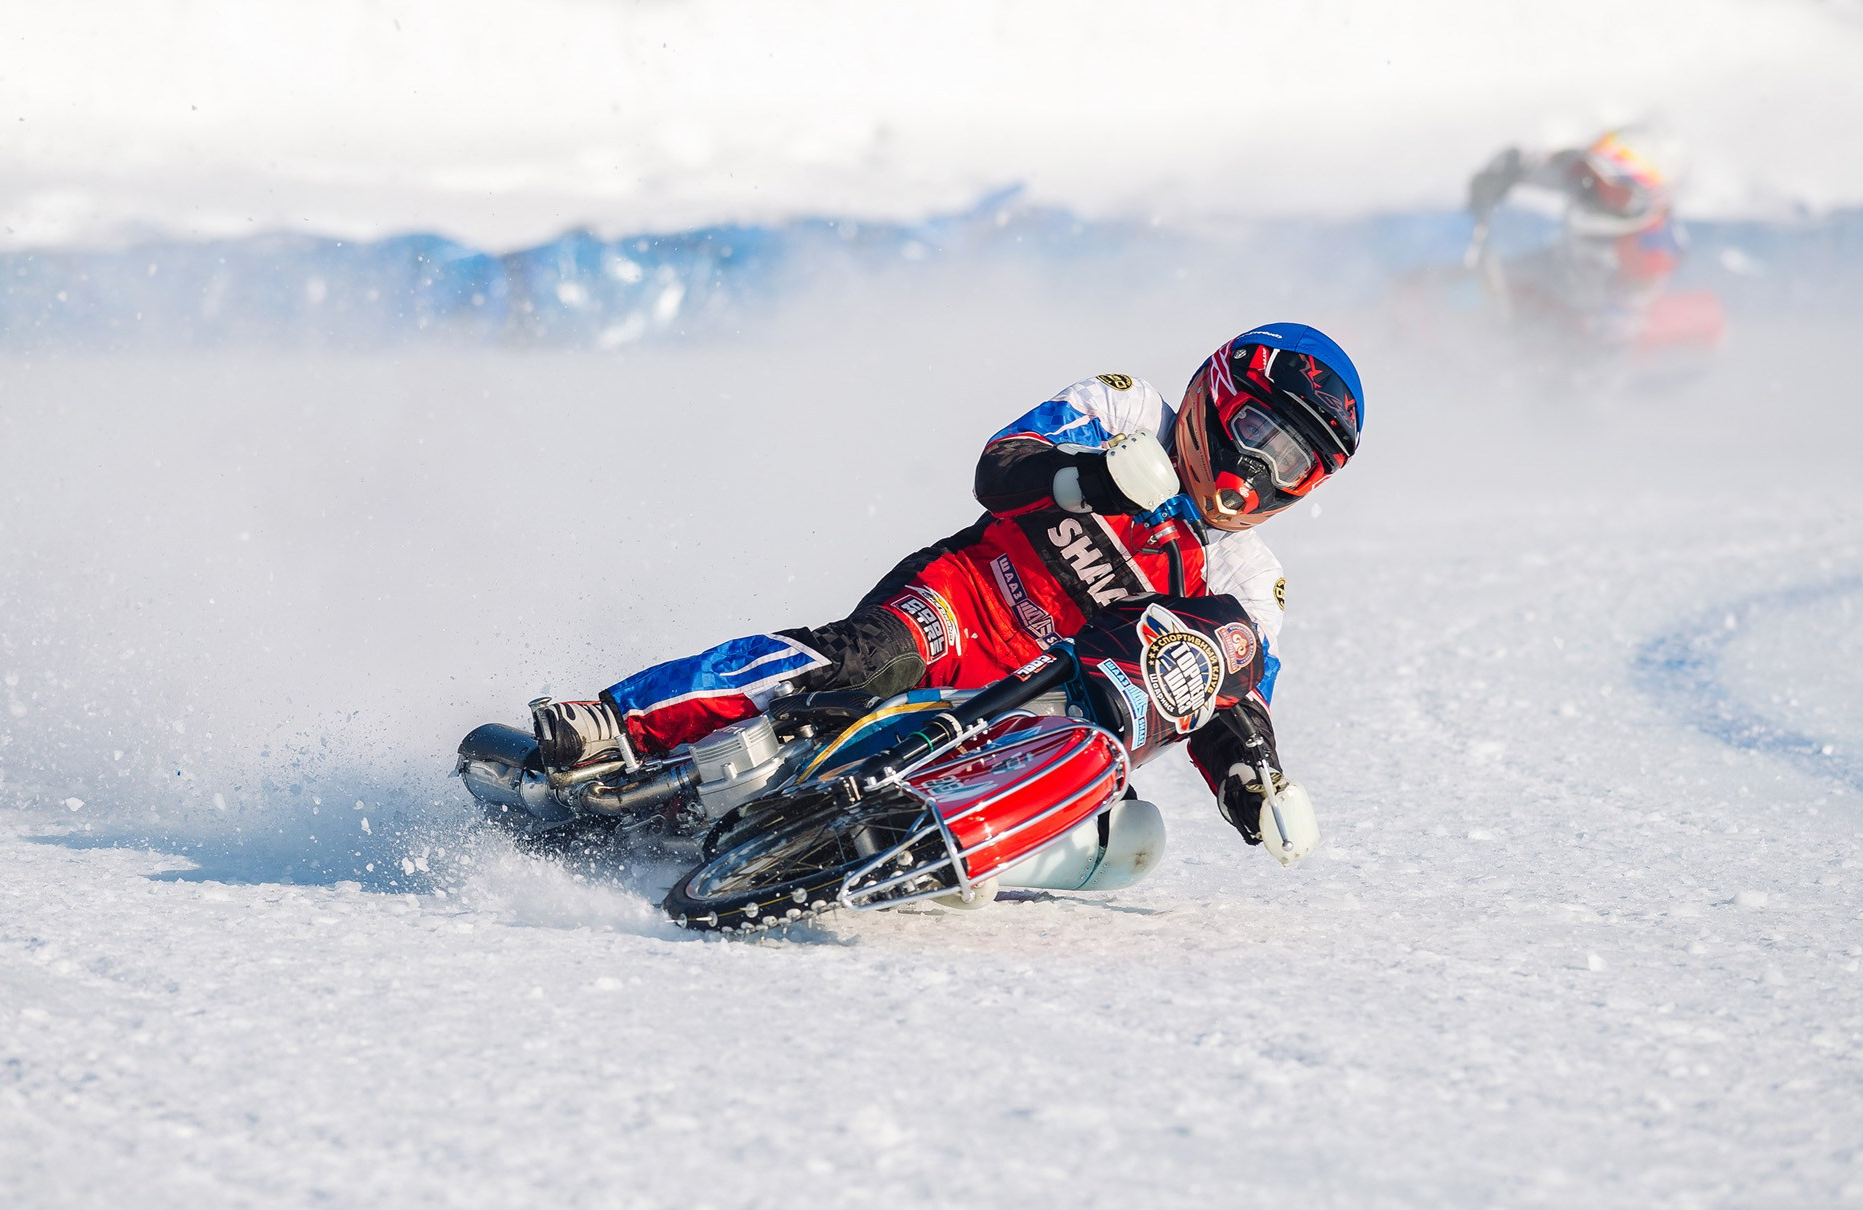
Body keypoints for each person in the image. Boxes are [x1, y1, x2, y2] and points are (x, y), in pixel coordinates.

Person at [531, 321, 1363, 864]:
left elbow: (1225, 693)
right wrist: (1097, 478)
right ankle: (620, 723)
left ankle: (891, 846)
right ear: (1219, 397)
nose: (1259, 473)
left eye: (1292, 464)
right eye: (1258, 434)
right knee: (857, 661)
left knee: (1130, 841)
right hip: (964, 605)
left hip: (1045, 713)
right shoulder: (1124, 409)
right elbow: (999, 472)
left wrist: (1254, 774)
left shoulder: (1248, 581)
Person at [1465, 129, 1685, 344]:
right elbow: (1532, 163)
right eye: (1596, 178)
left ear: (1645, 200)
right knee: (1477, 288)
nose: (1599, 191)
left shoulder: (1650, 249)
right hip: (1554, 270)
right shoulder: (1584, 179)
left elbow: (1620, 328)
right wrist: (1502, 173)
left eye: (1618, 190)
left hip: (1578, 317)